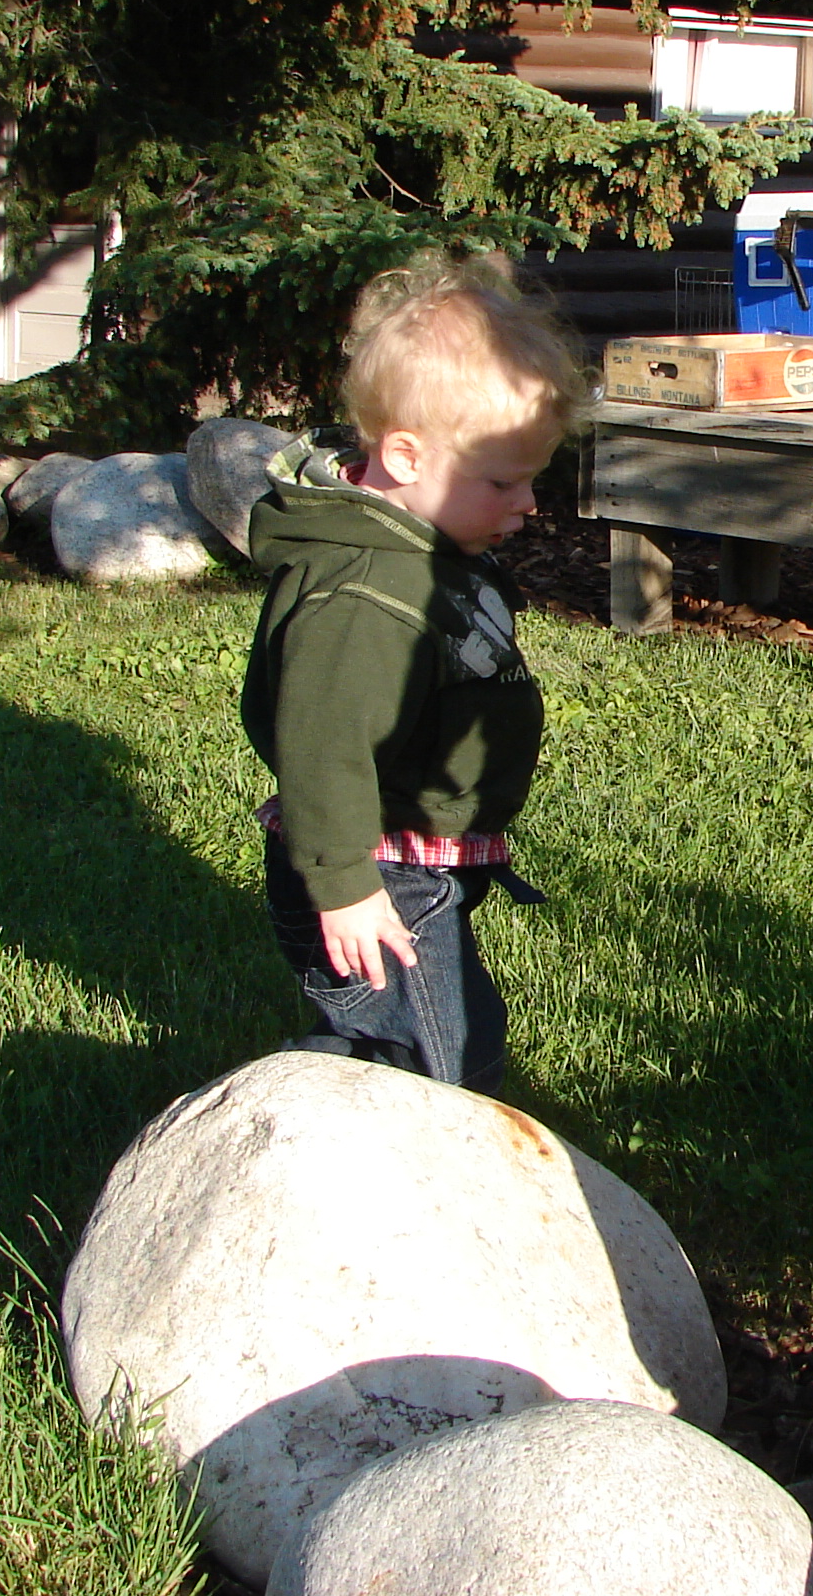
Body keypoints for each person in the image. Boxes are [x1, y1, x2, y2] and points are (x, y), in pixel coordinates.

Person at [242, 252, 590, 1092]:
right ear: (405, 455)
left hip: (416, 861)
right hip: (378, 874)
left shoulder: (424, 542)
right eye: (505, 480)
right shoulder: (361, 594)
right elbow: (322, 746)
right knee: (440, 1062)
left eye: (534, 478)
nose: (529, 504)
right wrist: (346, 888)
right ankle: (297, 1135)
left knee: (441, 1034)